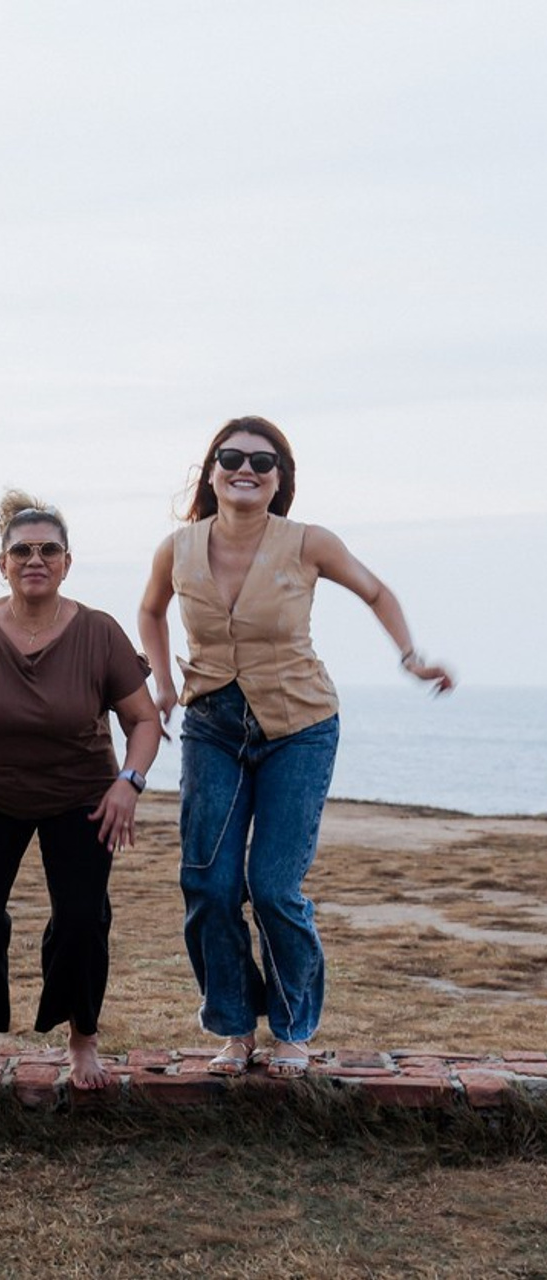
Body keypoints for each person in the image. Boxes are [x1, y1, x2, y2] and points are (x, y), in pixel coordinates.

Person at [138, 417, 455, 1078]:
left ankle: (291, 1027)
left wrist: (410, 657)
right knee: (209, 881)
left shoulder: (308, 542)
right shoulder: (179, 546)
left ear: (281, 477)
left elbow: (375, 590)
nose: (244, 467)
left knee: (275, 886)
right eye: (230, 457)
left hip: (301, 727)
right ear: (212, 471)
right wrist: (164, 685)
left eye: (262, 459)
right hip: (212, 725)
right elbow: (150, 610)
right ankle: (232, 1028)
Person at [0, 491, 162, 1091]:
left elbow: (143, 721)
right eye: (21, 550)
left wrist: (130, 782)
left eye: (49, 549)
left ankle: (82, 1044)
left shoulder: (98, 632)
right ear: (3, 563)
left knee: (80, 918)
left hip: (83, 796)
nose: (34, 559)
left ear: (67, 562)